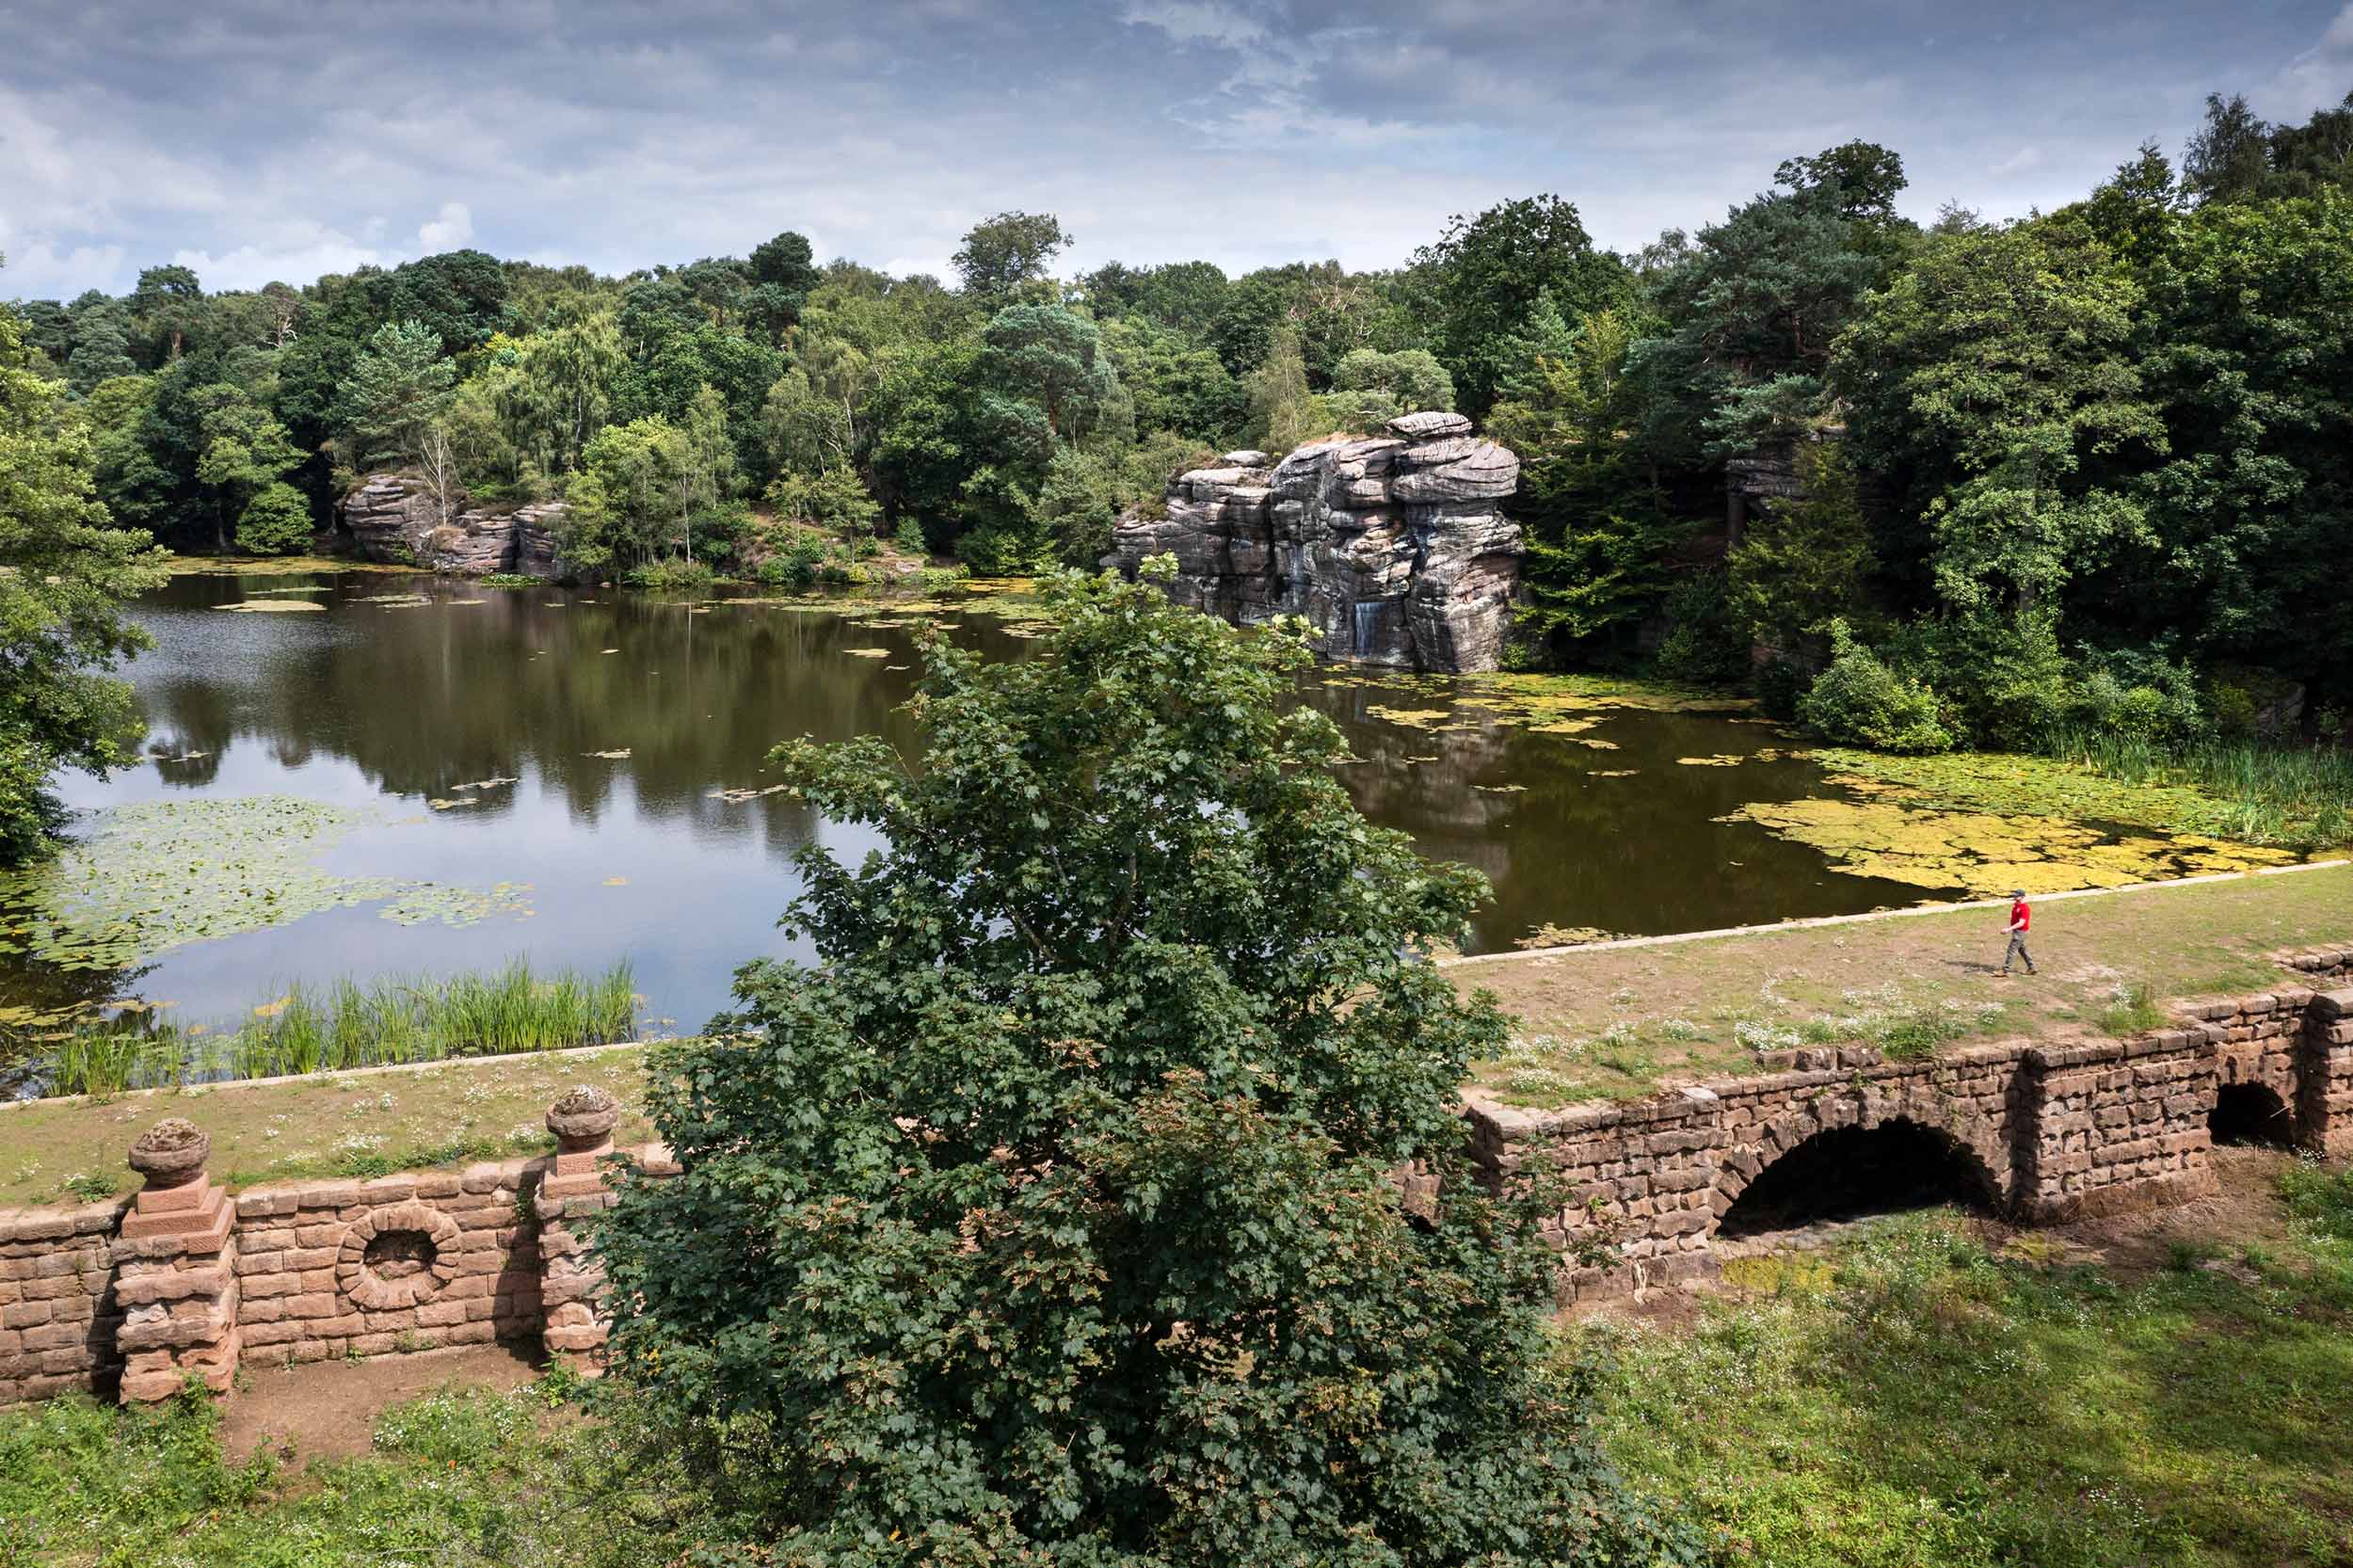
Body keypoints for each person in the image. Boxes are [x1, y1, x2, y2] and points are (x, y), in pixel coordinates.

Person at [2001, 888, 2036, 976]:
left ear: (2022, 897)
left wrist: (2008, 929)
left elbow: (2021, 923)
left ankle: (2004, 971)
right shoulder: (2017, 905)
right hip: (2018, 931)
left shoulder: (2024, 908)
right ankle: (2032, 968)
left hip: (2020, 932)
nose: (2014, 897)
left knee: (2011, 950)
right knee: (2022, 950)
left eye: (2016, 896)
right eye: (2014, 895)